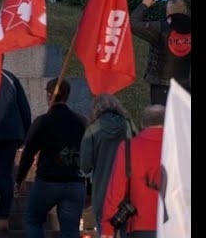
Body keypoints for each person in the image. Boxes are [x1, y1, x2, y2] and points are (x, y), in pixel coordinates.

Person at [16, 78, 87, 238]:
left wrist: (19, 179)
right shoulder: (81, 122)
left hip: (48, 181)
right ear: (67, 96)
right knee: (70, 230)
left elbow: (28, 153)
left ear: (49, 95)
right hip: (74, 181)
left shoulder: (43, 121)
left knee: (32, 219)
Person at [99, 105, 166, 238]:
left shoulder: (128, 147)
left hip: (140, 226)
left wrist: (107, 228)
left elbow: (115, 192)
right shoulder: (182, 147)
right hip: (176, 225)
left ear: (143, 124)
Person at [0, 67, 33, 232]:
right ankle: (3, 218)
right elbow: (24, 108)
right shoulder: (11, 77)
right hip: (11, 132)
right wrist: (25, 133)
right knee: (5, 173)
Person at [79, 93, 133, 231]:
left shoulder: (92, 129)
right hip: (127, 189)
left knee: (104, 229)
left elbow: (85, 165)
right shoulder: (127, 125)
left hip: (102, 190)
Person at [131, 0, 191, 106]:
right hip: (184, 84)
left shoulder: (159, 28)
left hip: (161, 86)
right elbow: (184, 17)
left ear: (167, 11)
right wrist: (180, 6)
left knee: (161, 120)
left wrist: (145, 4)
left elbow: (132, 24)